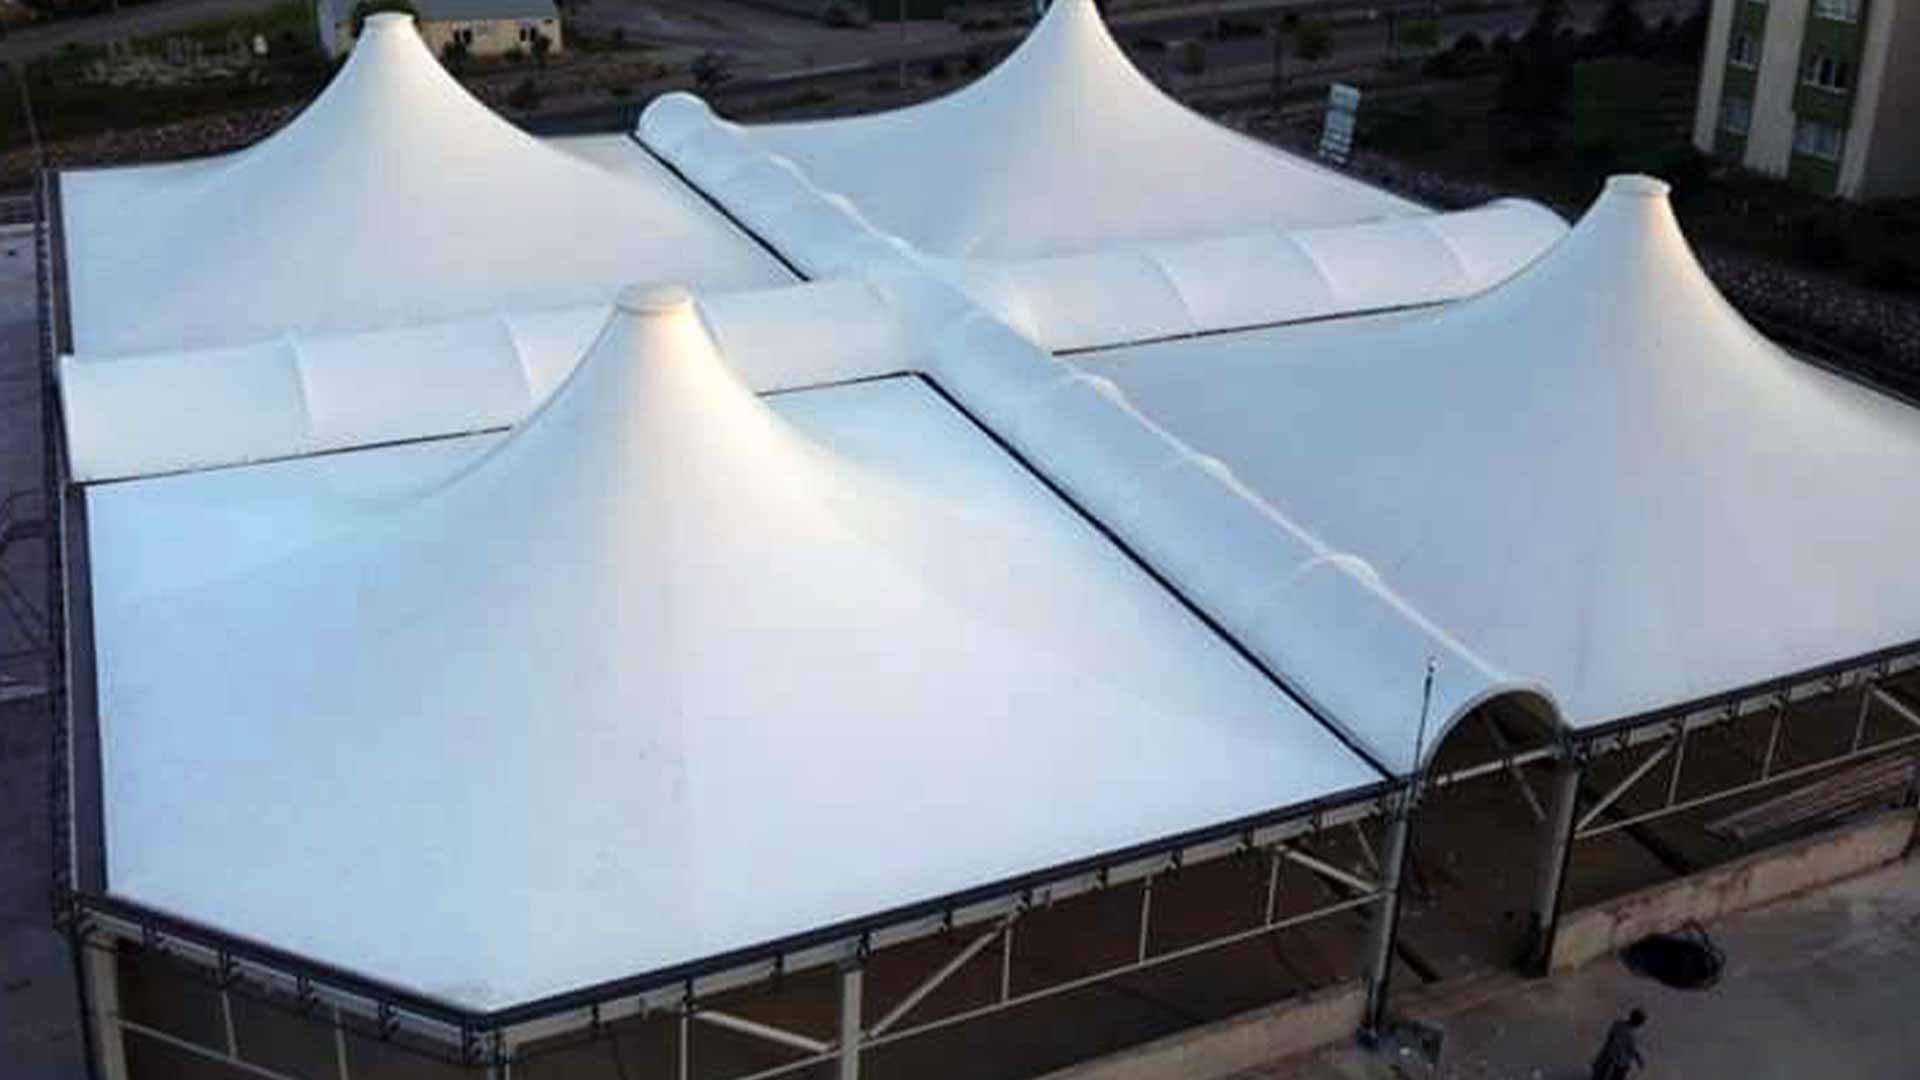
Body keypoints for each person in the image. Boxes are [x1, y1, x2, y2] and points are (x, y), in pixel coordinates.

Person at [1590, 1008, 1647, 1080]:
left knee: (1599, 1073)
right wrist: (1639, 1061)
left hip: (1608, 1055)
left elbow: (1610, 1038)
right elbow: (1633, 1050)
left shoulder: (1618, 1024)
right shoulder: (1632, 1035)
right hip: (1620, 1061)